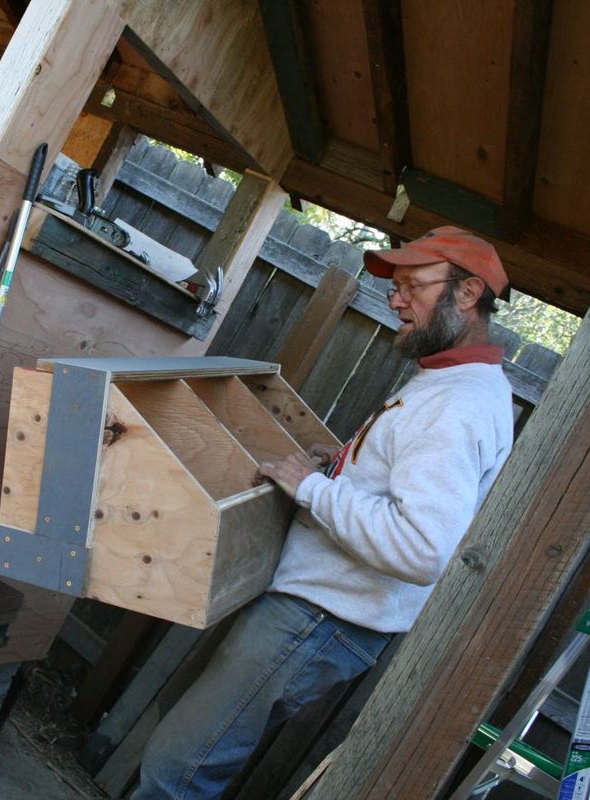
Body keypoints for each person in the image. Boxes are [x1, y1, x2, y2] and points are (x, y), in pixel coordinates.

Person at [133, 226, 515, 799]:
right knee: (188, 756)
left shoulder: (458, 406)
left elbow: (421, 548)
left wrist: (313, 487)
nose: (394, 299)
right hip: (320, 613)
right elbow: (400, 487)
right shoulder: (451, 384)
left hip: (321, 617)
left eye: (413, 285)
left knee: (176, 772)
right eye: (396, 286)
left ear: (466, 294)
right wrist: (338, 468)